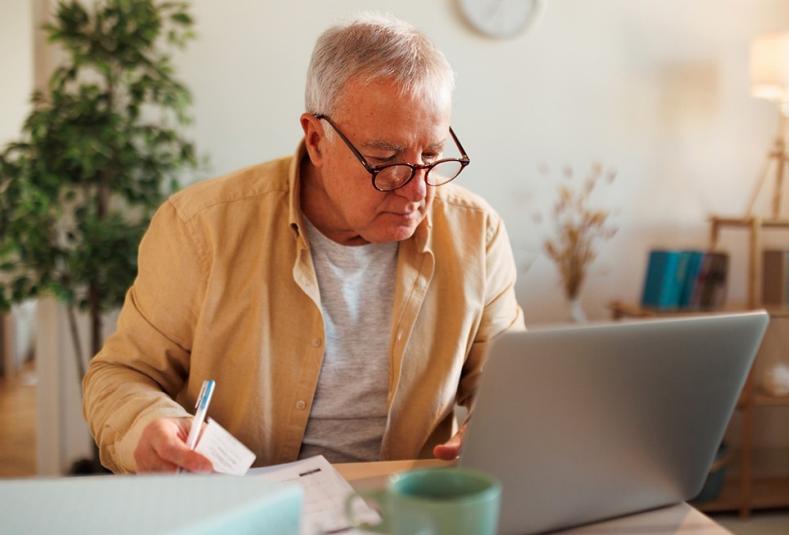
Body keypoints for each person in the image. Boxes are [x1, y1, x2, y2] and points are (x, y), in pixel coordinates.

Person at [82, 14, 524, 474]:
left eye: (431, 155)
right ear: (316, 139)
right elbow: (120, 376)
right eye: (385, 160)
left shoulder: (477, 234)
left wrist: (500, 425)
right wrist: (149, 423)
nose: (418, 191)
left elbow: (513, 384)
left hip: (407, 507)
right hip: (247, 504)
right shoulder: (200, 228)